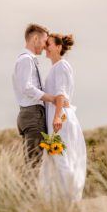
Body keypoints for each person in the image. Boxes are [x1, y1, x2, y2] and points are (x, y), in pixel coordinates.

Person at [39, 33, 87, 202]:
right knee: (57, 158)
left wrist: (57, 117)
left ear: (59, 47)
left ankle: (70, 199)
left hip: (60, 119)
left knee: (61, 158)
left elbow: (61, 94)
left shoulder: (61, 66)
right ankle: (60, 199)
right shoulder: (56, 67)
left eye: (48, 44)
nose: (45, 47)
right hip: (57, 117)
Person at [12, 23, 56, 169]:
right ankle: (28, 192)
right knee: (34, 165)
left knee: (35, 164)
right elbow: (27, 87)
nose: (45, 46)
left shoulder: (29, 60)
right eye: (44, 41)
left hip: (32, 114)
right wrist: (52, 98)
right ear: (35, 38)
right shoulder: (25, 59)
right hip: (32, 115)